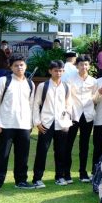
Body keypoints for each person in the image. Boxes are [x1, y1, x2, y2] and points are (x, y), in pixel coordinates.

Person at [0, 56, 35, 193]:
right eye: (16, 65)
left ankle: (21, 181)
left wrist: (31, 123)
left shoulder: (30, 84)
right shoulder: (3, 81)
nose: (19, 67)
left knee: (23, 156)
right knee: (2, 155)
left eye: (21, 65)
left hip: (24, 125)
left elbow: (31, 105)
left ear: (25, 66)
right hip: (6, 124)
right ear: (11, 67)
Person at [32, 60, 75, 188]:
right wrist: (37, 122)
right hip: (46, 123)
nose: (58, 73)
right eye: (56, 70)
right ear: (50, 71)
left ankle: (60, 176)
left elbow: (69, 105)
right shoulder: (43, 86)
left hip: (61, 124)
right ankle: (37, 178)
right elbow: (36, 105)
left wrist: (67, 121)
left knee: (61, 151)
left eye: (61, 70)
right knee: (42, 151)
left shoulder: (66, 86)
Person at [66, 55, 96, 183]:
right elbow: (66, 97)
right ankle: (66, 173)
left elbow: (95, 97)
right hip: (73, 114)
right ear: (76, 66)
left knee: (84, 145)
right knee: (69, 144)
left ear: (89, 66)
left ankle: (83, 173)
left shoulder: (94, 81)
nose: (84, 67)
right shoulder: (70, 79)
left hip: (88, 115)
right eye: (81, 64)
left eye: (86, 64)